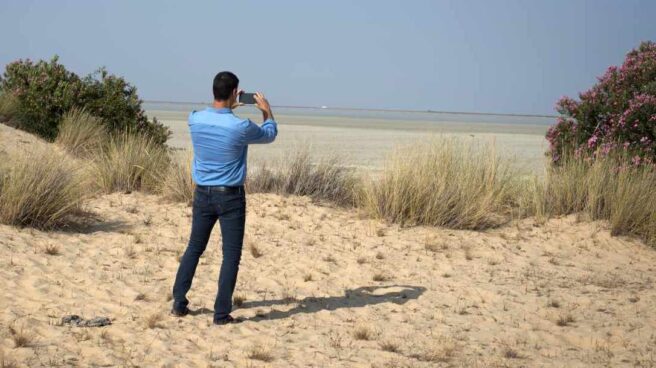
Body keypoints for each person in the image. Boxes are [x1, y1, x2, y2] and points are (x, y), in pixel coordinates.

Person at [171, 71, 277, 325]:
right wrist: (266, 110)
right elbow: (270, 134)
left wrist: (229, 104)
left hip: (202, 194)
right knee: (230, 255)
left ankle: (178, 303)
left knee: (194, 248)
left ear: (213, 92)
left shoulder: (194, 120)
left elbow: (213, 115)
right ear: (234, 92)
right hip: (230, 197)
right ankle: (220, 313)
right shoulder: (240, 127)